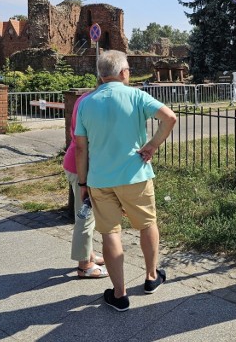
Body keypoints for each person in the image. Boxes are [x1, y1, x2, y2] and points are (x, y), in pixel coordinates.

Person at [75, 50, 177, 312]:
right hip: (135, 176)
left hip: (100, 179)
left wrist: (83, 183)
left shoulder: (86, 102)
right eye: (129, 70)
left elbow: (80, 148)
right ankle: (151, 278)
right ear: (123, 73)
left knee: (110, 232)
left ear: (101, 74)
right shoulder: (136, 96)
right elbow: (170, 117)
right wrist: (152, 145)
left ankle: (119, 294)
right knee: (147, 224)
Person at [62, 89, 108, 279]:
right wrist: (83, 181)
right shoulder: (96, 102)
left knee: (87, 215)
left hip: (76, 162)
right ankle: (84, 265)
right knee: (85, 216)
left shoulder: (85, 98)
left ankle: (88, 254)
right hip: (83, 166)